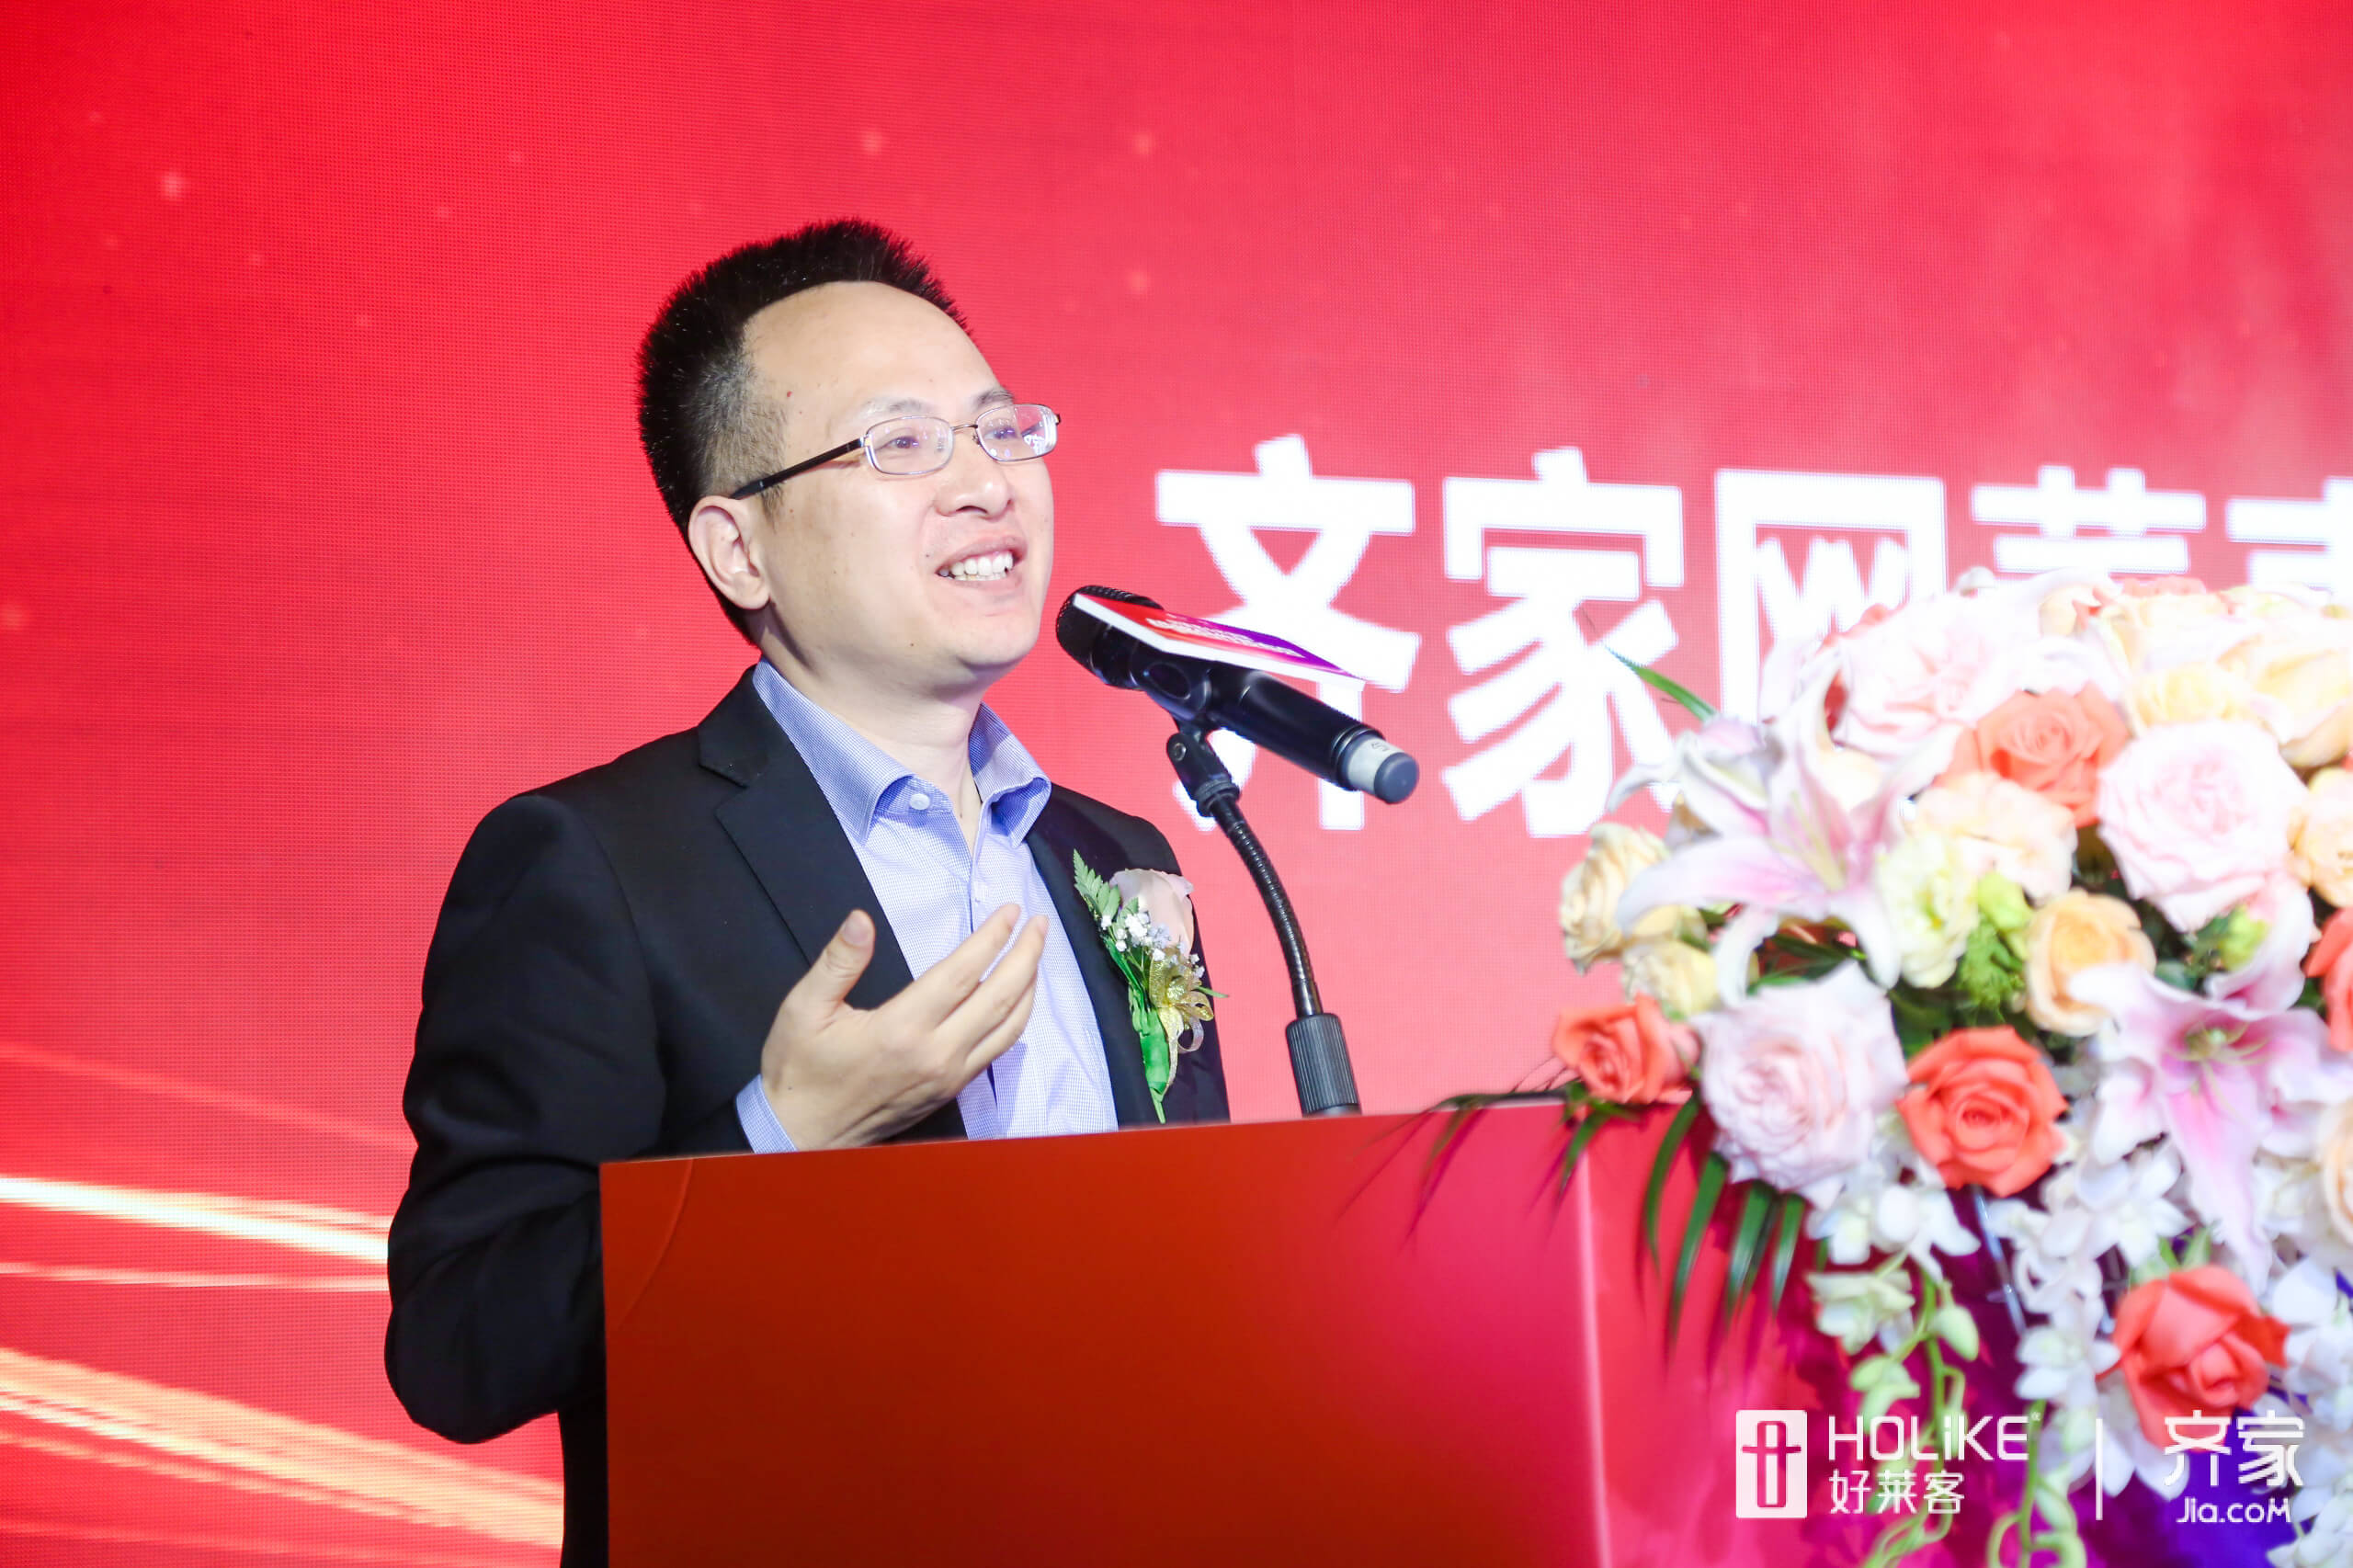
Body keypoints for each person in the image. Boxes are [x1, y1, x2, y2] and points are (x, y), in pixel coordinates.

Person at [384, 219, 1229, 1567]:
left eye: (1000, 429)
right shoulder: (593, 861)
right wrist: (782, 1136)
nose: (987, 484)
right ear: (740, 549)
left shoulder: (1122, 858)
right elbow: (458, 1341)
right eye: (901, 445)